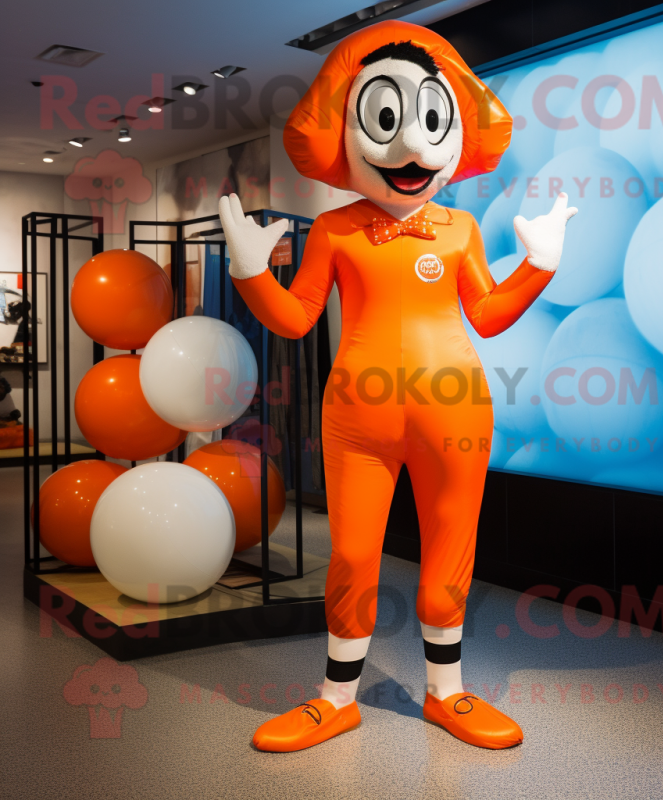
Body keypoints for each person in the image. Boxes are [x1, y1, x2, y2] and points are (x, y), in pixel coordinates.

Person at [219, 20, 577, 752]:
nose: (411, 146)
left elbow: (488, 316)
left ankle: (447, 692)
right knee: (353, 555)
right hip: (358, 420)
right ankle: (336, 699)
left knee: (451, 547)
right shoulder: (335, 230)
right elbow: (295, 319)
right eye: (385, 117)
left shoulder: (460, 231)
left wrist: (539, 265)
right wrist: (252, 274)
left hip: (457, 414)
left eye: (430, 121)